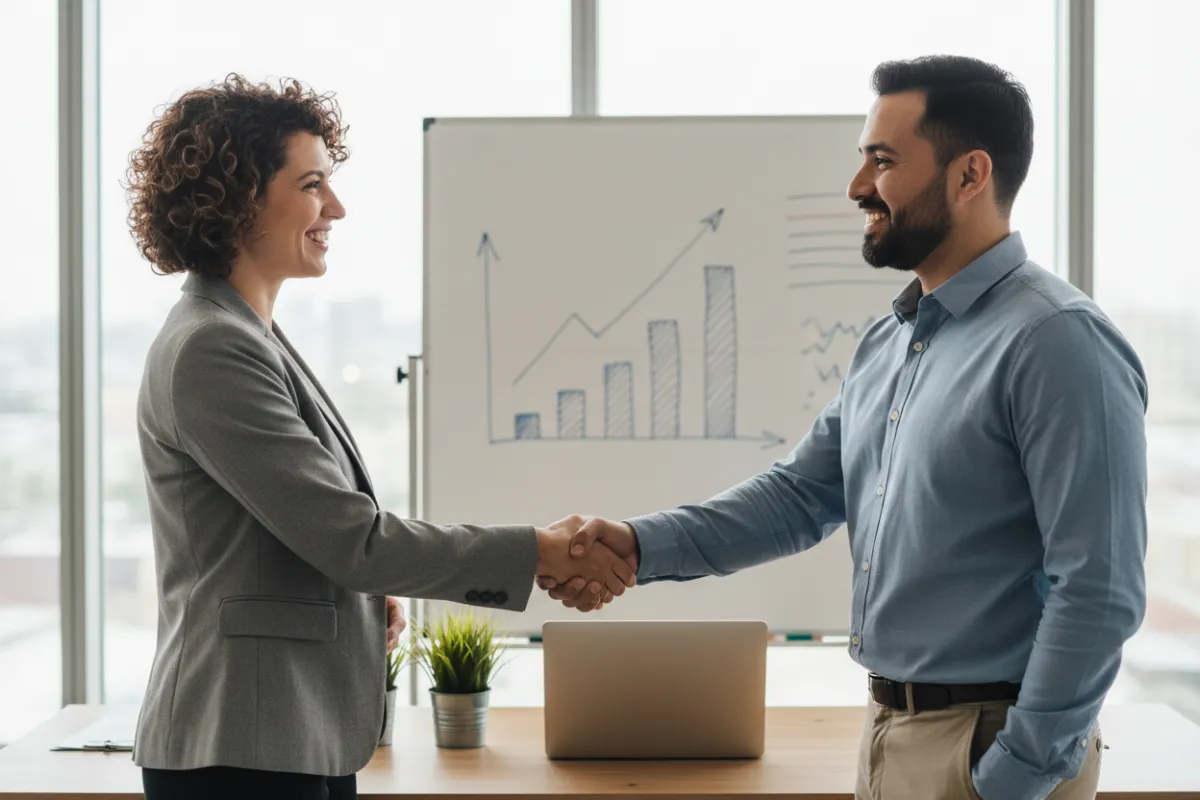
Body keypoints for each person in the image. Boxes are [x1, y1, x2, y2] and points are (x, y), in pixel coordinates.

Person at [540, 55, 1148, 800]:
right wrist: (634, 545)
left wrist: (1014, 776)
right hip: (891, 734)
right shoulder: (893, 342)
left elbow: (1101, 586)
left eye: (883, 161)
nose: (859, 186)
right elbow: (797, 497)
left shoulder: (1057, 341)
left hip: (989, 748)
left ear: (970, 175)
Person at [125, 74, 633, 800]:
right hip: (238, 746)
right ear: (239, 199)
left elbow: (293, 539)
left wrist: (354, 603)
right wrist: (540, 553)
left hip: (289, 738)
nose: (335, 207)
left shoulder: (248, 335)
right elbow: (352, 541)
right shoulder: (213, 347)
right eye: (311, 185)